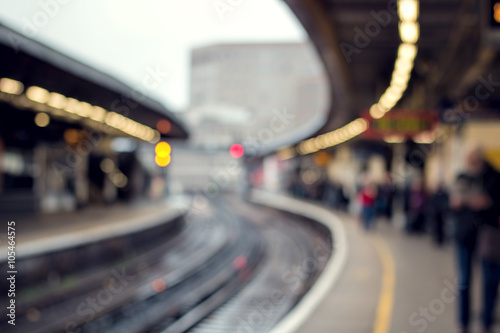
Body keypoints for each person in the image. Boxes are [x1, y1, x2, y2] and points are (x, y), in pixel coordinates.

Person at [450, 148, 500, 333]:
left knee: (490, 281)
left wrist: (488, 204)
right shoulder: (462, 177)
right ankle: (463, 323)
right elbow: (452, 205)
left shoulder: (494, 178)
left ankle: (486, 322)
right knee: (464, 280)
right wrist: (456, 204)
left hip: (489, 235)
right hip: (465, 235)